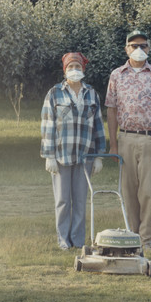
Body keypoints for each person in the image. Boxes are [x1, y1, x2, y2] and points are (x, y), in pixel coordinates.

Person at [106, 30, 151, 250]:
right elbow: (112, 110)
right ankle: (132, 239)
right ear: (126, 49)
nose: (139, 49)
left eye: (143, 45)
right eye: (134, 45)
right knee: (129, 192)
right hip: (126, 139)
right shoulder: (117, 75)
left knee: (148, 193)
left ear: (149, 48)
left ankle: (147, 241)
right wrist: (113, 143)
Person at [40, 52, 106, 250]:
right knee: (62, 201)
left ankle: (78, 241)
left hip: (85, 155)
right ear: (64, 70)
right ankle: (63, 241)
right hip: (61, 156)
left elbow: (98, 126)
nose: (74, 71)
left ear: (83, 70)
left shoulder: (91, 93)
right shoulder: (54, 93)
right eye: (70, 67)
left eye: (77, 67)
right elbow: (47, 125)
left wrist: (98, 157)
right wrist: (49, 155)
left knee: (79, 200)